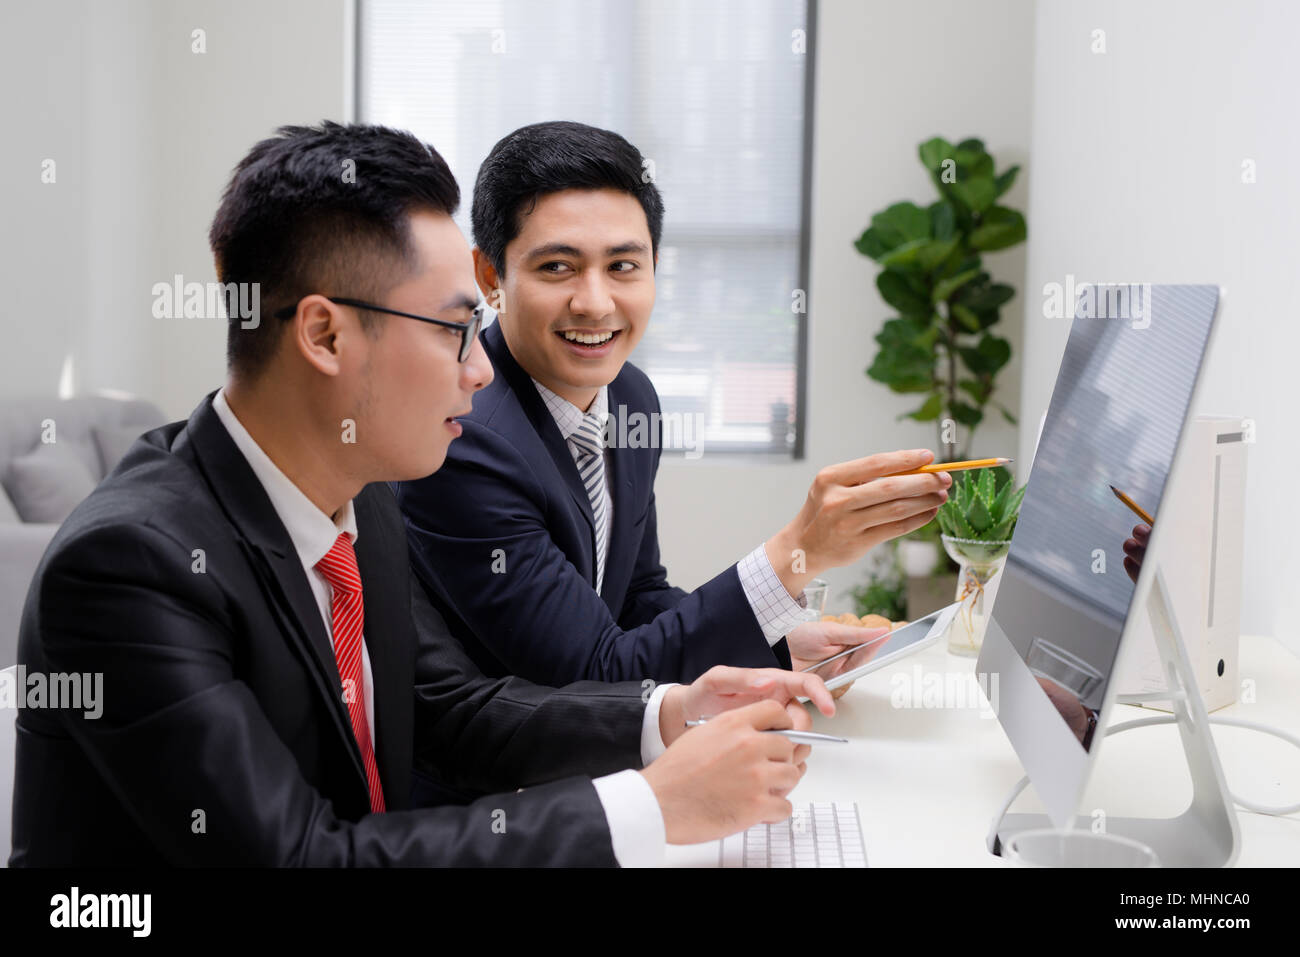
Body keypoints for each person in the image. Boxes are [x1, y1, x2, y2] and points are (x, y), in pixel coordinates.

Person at [8, 122, 834, 868]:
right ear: (326, 335)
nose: (480, 370)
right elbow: (299, 857)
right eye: (453, 330)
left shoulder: (362, 495)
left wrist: (667, 714)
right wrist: (647, 808)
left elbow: (449, 705)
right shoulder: (130, 567)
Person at [394, 120, 952, 687]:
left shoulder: (631, 397)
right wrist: (797, 550)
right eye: (557, 267)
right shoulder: (464, 436)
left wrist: (776, 645)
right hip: (513, 772)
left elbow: (636, 597)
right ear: (491, 275)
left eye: (622, 266)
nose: (594, 302)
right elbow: (594, 671)